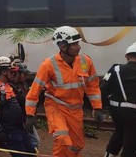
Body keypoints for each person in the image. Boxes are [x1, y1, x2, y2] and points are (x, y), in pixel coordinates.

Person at [25, 26, 103, 157]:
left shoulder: (86, 61)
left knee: (77, 145)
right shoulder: (48, 65)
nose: (79, 47)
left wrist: (98, 108)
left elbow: (93, 87)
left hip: (76, 110)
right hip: (56, 107)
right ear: (63, 46)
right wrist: (30, 115)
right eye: (75, 44)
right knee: (62, 138)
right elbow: (34, 90)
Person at [101, 44, 136, 157]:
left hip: (116, 111)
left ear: (127, 56)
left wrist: (106, 106)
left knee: (119, 132)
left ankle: (109, 155)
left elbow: (103, 89)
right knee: (131, 141)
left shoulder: (115, 69)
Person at [0, 56, 35, 156]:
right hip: (10, 130)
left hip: (20, 128)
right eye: (11, 72)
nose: (14, 74)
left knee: (32, 153)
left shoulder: (9, 86)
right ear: (3, 72)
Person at [10, 60, 40, 150]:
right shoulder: (12, 87)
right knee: (35, 141)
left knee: (32, 141)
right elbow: (22, 101)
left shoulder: (24, 84)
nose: (26, 76)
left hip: (27, 117)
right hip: (22, 119)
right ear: (17, 74)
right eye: (24, 74)